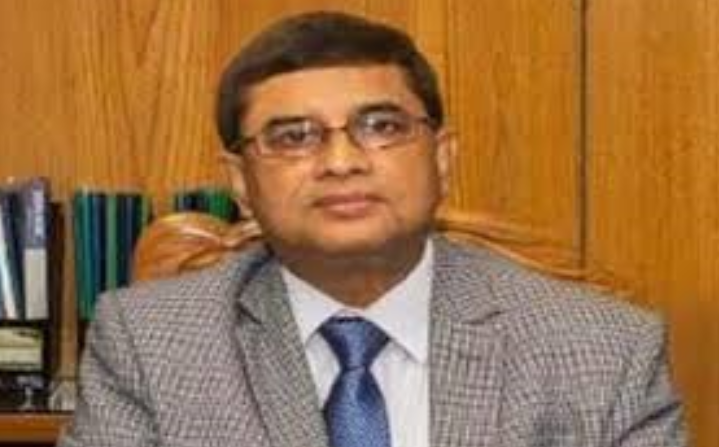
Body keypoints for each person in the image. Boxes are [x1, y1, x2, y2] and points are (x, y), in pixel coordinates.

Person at [58, 11, 687, 447]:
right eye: (293, 137)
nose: (341, 161)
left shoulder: (603, 351)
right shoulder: (150, 345)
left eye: (381, 127)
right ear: (241, 182)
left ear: (442, 159)